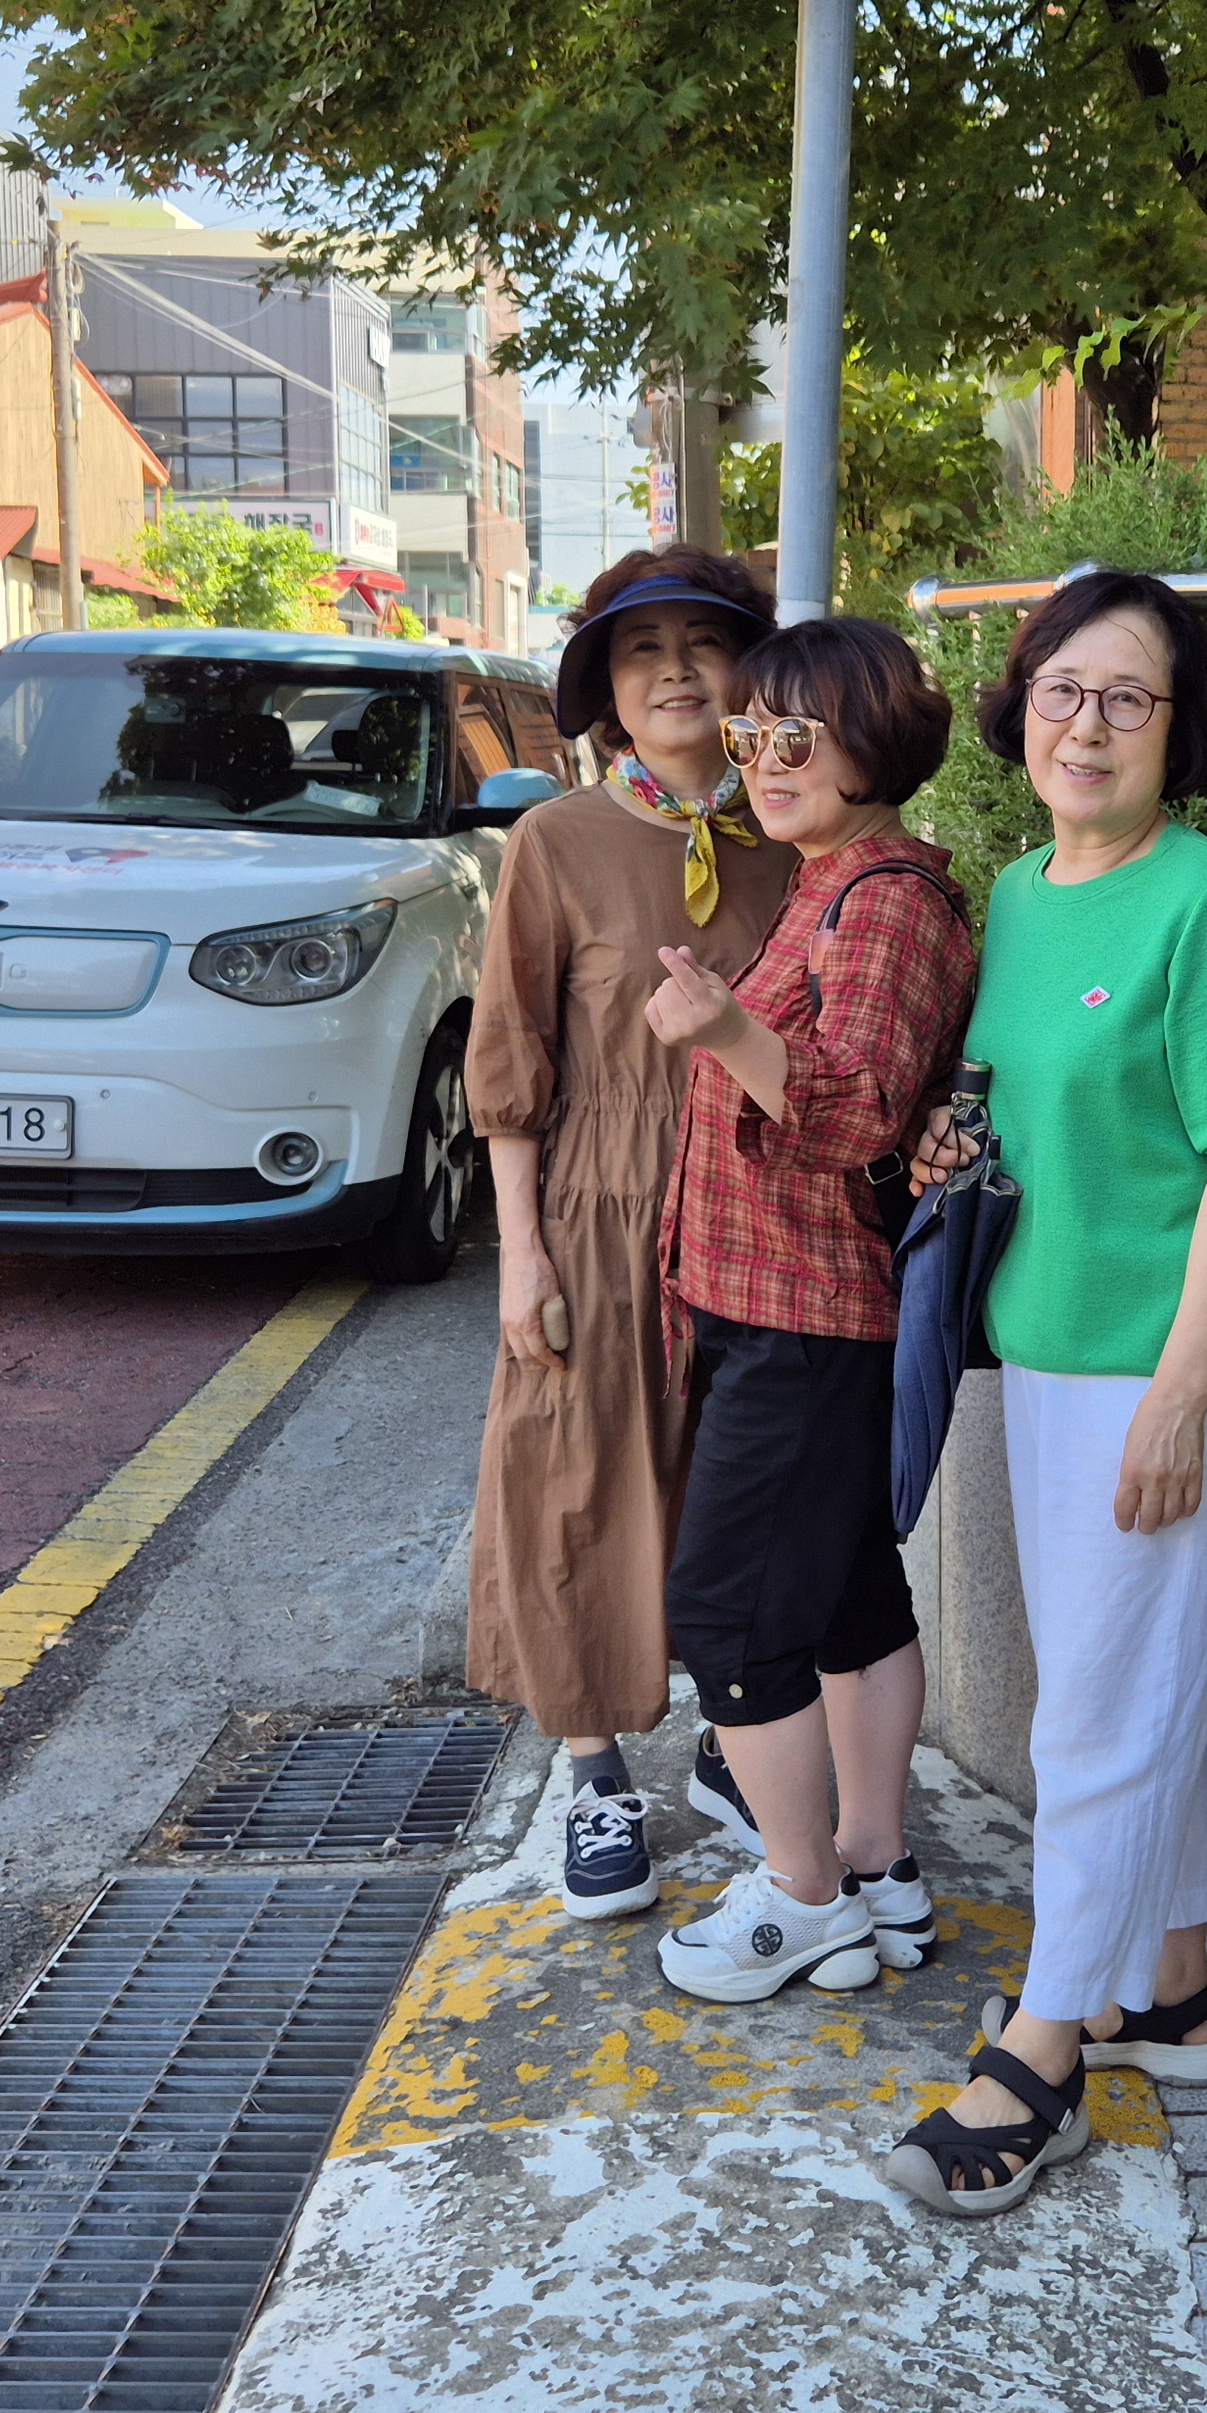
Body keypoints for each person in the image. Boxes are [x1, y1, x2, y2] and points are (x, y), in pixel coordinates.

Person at [877, 572, 1207, 2222]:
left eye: (1129, 697)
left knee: (1097, 1719)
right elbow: (1024, 1101)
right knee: (1122, 1690)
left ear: (1179, 730)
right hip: (1043, 1352)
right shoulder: (1024, 890)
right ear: (1022, 707)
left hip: (1159, 1369)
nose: (1089, 725)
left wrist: (1183, 1397)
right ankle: (1170, 1993)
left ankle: (1046, 2050)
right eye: (1063, 689)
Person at [641, 618, 979, 2002]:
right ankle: (877, 1869)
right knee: (846, 1595)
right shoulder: (828, 880)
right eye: (749, 734)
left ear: (873, 740)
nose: (763, 760)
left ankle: (805, 1896)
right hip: (777, 1304)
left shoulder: (883, 899)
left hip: (808, 1314)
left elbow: (860, 1109)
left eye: (796, 735)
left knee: (727, 1615)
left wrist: (725, 1028)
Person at [464, 546, 798, 1921]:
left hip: (761, 1210)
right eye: (640, 648)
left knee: (743, 1485)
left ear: (749, 672)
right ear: (606, 685)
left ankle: (734, 1735)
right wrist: (521, 1251)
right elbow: (512, 1060)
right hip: (598, 1212)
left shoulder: (797, 831)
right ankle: (595, 1774)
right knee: (578, 1479)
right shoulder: (555, 842)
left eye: (702, 644)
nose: (673, 671)